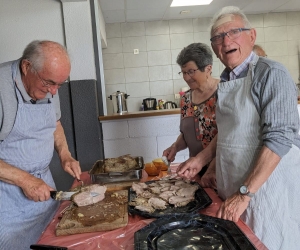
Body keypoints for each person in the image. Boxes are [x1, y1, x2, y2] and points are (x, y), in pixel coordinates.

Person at [177, 6, 300, 249]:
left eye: (234, 32)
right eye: (217, 38)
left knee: (270, 241)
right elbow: (229, 131)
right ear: (213, 49)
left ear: (252, 35)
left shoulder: (271, 73)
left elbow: (278, 138)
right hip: (233, 191)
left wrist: (245, 194)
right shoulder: (226, 81)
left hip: (265, 193)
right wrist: (201, 160)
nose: (225, 41)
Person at [0, 40, 82, 250]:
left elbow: (54, 124)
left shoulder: (49, 86)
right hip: (7, 201)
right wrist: (25, 180)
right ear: (27, 67)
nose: (54, 92)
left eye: (59, 85)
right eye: (49, 84)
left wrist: (65, 154)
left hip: (44, 189)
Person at [163, 43, 219, 189]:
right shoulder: (186, 99)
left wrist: (212, 168)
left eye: (191, 71)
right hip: (196, 171)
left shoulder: (224, 93)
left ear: (208, 68)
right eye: (183, 72)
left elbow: (229, 136)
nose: (186, 77)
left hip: (219, 172)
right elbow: (187, 134)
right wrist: (175, 147)